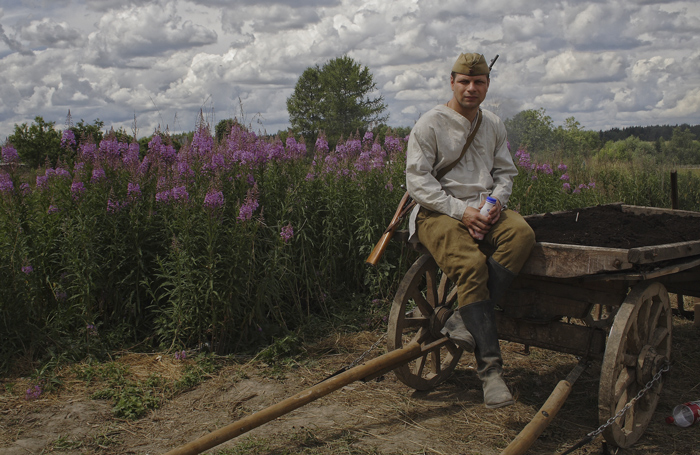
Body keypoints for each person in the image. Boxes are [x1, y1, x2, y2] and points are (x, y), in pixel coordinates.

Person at [405, 53, 535, 409]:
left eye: (479, 82)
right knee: (471, 265)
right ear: (452, 82)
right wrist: (464, 212)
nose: (471, 88)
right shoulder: (430, 124)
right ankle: (491, 374)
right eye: (464, 81)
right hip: (438, 212)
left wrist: (493, 204)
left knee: (522, 234)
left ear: (487, 86)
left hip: (485, 209)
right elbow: (418, 182)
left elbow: (505, 173)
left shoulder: (492, 124)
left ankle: (463, 314)